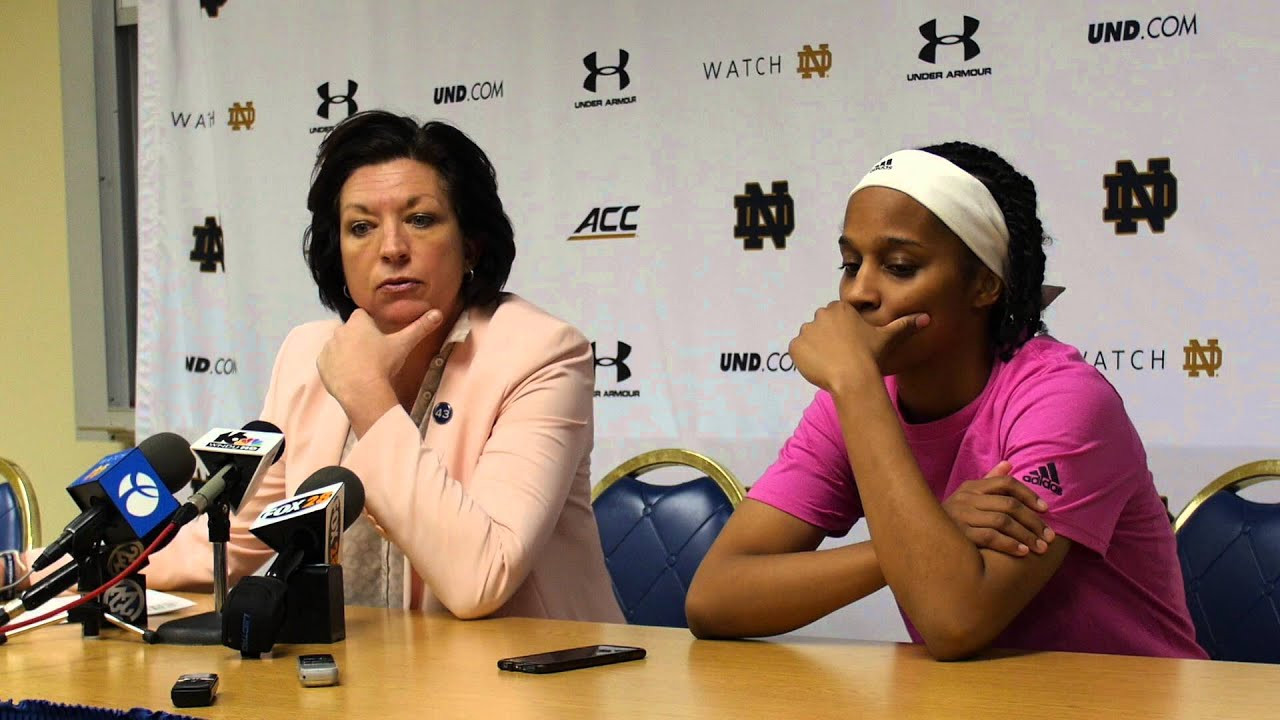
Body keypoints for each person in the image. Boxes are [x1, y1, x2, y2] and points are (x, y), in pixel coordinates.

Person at [684, 142, 1205, 659]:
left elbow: (955, 621)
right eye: (850, 263)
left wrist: (857, 384)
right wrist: (936, 528)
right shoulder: (858, 395)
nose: (857, 293)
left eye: (900, 266)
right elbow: (714, 598)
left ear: (983, 284)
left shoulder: (1064, 399)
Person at [143, 110, 623, 622]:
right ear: (339, 257)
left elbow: (480, 578)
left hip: (530, 684)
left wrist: (367, 396)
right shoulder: (308, 354)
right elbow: (239, 537)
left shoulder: (542, 354)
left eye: (420, 220)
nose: (392, 249)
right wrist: (82, 564)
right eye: (361, 227)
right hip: (367, 681)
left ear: (471, 247)